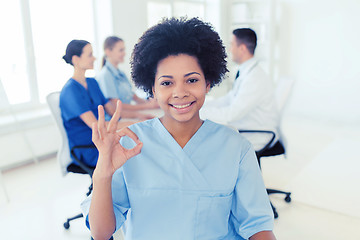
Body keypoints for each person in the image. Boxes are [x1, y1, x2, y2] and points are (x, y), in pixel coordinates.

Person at [81, 18, 276, 240]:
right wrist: (102, 175)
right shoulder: (129, 145)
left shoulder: (236, 148)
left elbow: (258, 226)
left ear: (208, 83)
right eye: (166, 83)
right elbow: (101, 233)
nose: (180, 92)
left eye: (192, 80)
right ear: (151, 89)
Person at [200, 28, 279, 151]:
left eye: (232, 45)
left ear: (242, 48)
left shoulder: (254, 78)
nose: (230, 49)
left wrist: (198, 112)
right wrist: (201, 104)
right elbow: (229, 99)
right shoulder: (247, 72)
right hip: (247, 125)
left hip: (257, 134)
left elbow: (231, 114)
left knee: (207, 140)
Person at [60, 39, 134, 167]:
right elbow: (97, 127)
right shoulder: (70, 91)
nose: (94, 58)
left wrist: (143, 117)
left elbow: (113, 111)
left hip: (104, 140)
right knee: (134, 155)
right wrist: (134, 124)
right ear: (76, 60)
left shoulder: (92, 83)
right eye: (90, 55)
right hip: (88, 148)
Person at [96, 36, 159, 120]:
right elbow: (116, 106)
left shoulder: (121, 73)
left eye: (124, 50)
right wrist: (147, 106)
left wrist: (150, 103)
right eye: (121, 50)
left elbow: (134, 97)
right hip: (117, 119)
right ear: (108, 52)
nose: (124, 53)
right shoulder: (105, 75)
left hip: (127, 115)